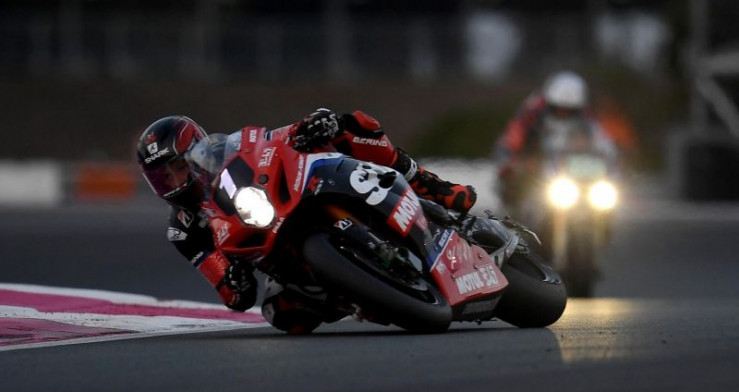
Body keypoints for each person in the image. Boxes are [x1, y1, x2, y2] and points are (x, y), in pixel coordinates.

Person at [135, 109, 477, 332]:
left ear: (195, 151)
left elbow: (271, 140)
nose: (174, 182)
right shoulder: (183, 230)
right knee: (283, 316)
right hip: (277, 258)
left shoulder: (230, 152)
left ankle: (434, 187)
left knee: (353, 126)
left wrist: (309, 126)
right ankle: (362, 296)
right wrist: (234, 280)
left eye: (177, 168)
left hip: (288, 203)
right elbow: (232, 294)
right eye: (162, 178)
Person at [494, 71, 619, 209]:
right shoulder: (531, 115)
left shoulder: (588, 120)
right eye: (558, 108)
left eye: (569, 109)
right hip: (535, 166)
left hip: (570, 170)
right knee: (517, 181)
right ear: (550, 104)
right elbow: (511, 141)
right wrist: (513, 163)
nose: (563, 113)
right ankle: (517, 211)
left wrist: (611, 163)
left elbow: (605, 145)